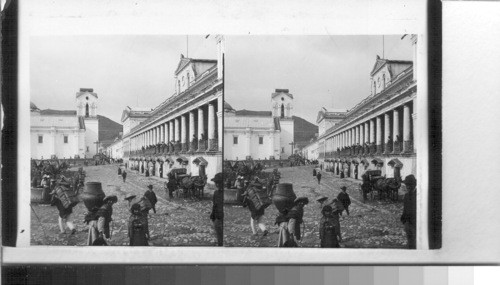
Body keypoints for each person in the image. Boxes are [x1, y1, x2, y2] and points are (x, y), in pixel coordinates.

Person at [401, 175, 417, 249]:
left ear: (414, 185)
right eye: (407, 185)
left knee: (415, 242)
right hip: (408, 223)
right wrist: (404, 220)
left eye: (410, 185)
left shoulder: (419, 195)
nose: (408, 187)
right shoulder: (406, 196)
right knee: (410, 242)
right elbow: (405, 209)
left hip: (416, 223)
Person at [210, 173, 224, 246]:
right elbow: (214, 205)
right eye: (216, 183)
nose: (217, 184)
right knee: (219, 237)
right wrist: (212, 216)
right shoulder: (216, 193)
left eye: (219, 182)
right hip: (217, 218)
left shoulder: (224, 193)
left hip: (223, 218)